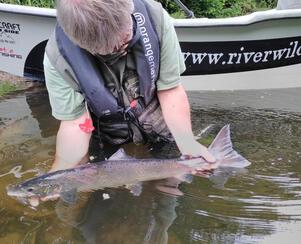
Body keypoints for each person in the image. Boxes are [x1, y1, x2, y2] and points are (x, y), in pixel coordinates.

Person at [43, 0, 216, 174]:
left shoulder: (155, 18)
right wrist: (60, 170)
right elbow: (76, 123)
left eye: (125, 40)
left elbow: (170, 91)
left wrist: (187, 143)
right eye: (112, 50)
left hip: (157, 121)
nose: (122, 50)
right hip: (109, 133)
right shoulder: (59, 57)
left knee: (172, 185)